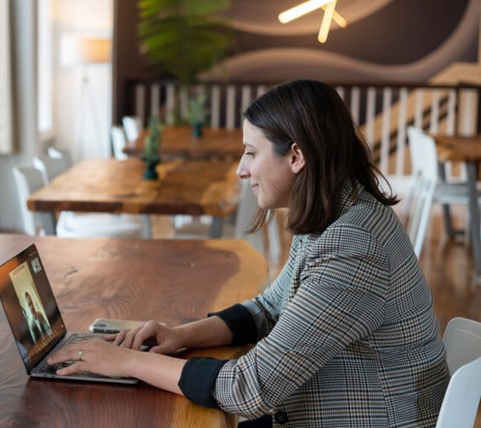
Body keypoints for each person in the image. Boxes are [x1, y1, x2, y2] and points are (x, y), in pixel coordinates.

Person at [47, 79, 449, 427]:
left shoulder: (355, 245)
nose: (241, 169)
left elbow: (250, 388)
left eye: (251, 153)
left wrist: (127, 364)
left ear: (295, 156)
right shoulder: (336, 212)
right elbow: (268, 308)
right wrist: (179, 335)